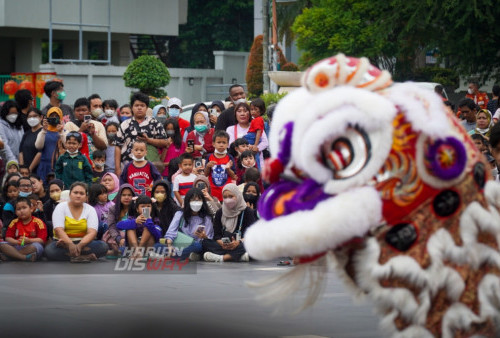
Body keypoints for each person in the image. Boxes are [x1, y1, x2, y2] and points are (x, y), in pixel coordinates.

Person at [45, 182, 107, 262]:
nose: (78, 195)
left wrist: (80, 246)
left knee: (103, 246)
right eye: (75, 193)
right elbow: (58, 230)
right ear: (70, 194)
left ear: (86, 197)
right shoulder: (60, 207)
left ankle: (72, 255)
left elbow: (92, 232)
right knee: (49, 250)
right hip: (63, 242)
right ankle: (84, 256)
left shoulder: (90, 209)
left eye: (81, 193)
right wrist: (69, 244)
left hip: (84, 242)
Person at [114, 92, 167, 175]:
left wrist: (149, 140)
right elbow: (117, 146)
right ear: (132, 107)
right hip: (128, 166)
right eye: (136, 105)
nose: (139, 108)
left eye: (142, 105)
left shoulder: (155, 123)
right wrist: (117, 169)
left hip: (149, 166)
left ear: (147, 108)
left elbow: (165, 143)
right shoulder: (124, 124)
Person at [202, 184, 257, 262]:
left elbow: (251, 234)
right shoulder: (220, 212)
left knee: (251, 245)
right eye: (225, 197)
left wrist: (238, 242)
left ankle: (223, 258)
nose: (228, 199)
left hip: (241, 243)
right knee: (205, 243)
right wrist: (221, 243)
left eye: (231, 196)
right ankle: (239, 257)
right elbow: (217, 235)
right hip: (224, 245)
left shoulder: (247, 211)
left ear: (238, 196)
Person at [163, 188, 214, 261]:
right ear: (187, 201)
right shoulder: (180, 214)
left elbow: (209, 239)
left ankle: (172, 256)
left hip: (196, 246)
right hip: (179, 244)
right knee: (159, 245)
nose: (196, 202)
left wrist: (204, 237)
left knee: (197, 246)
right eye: (193, 200)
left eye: (199, 200)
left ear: (203, 201)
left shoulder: (206, 218)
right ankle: (188, 256)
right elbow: (171, 232)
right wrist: (169, 245)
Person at [0, 197, 47, 261]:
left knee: (36, 246)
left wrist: (29, 241)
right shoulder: (14, 222)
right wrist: (17, 242)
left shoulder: (38, 222)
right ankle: (24, 258)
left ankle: (11, 256)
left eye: (24, 208)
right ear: (16, 212)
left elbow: (42, 240)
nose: (21, 211)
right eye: (18, 209)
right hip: (17, 246)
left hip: (31, 245)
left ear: (31, 209)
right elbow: (8, 238)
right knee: (2, 245)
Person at [102, 184, 135, 256]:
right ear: (119, 196)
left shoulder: (136, 209)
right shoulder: (113, 209)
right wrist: (119, 238)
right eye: (123, 195)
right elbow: (111, 226)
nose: (126, 197)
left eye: (129, 195)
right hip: (116, 235)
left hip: (132, 235)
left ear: (133, 197)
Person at [205, 130, 237, 201]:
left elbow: (234, 177)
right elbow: (205, 174)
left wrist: (228, 169)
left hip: (227, 192)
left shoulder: (230, 157)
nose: (221, 145)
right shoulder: (209, 157)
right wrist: (207, 166)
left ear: (227, 144)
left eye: (224, 142)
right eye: (219, 142)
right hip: (213, 192)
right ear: (213, 144)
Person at [35, 107, 64, 181]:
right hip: (45, 166)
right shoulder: (43, 132)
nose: (54, 118)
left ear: (60, 117)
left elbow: (66, 145)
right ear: (47, 118)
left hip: (60, 166)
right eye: (51, 116)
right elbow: (38, 146)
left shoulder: (64, 132)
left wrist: (61, 132)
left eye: (56, 116)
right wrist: (44, 130)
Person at [19, 107, 43, 174]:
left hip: (37, 170)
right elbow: (21, 151)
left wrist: (30, 169)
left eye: (35, 116)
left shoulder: (43, 132)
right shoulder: (26, 134)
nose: (32, 118)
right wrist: (22, 168)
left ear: (41, 117)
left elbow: (40, 153)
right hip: (25, 171)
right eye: (29, 117)